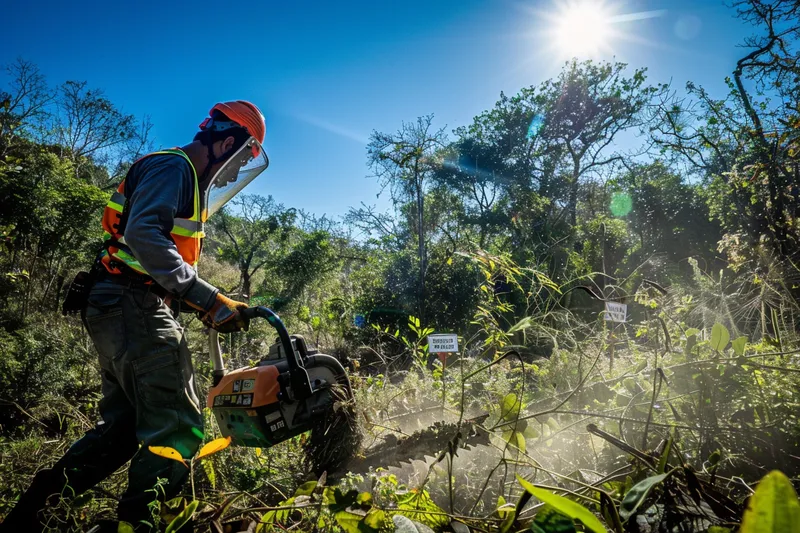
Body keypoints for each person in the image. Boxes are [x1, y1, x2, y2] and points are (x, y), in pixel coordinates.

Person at [0, 101, 269, 533]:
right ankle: (140, 526)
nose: (236, 173)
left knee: (123, 429)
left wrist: (193, 302)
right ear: (226, 143)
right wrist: (208, 297)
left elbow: (147, 254)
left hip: (123, 303)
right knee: (178, 426)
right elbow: (143, 235)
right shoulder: (175, 169)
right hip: (131, 305)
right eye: (242, 161)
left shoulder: (173, 170)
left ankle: (31, 514)